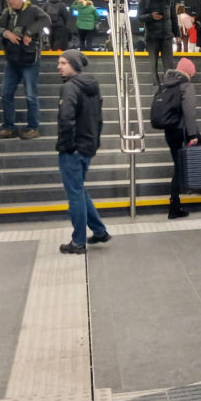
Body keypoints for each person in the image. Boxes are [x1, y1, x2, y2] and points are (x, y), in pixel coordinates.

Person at [55, 49, 110, 254]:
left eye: (63, 63)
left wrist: (68, 146)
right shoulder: (92, 87)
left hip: (74, 148)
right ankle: (99, 230)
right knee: (79, 189)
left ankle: (78, 242)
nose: (58, 66)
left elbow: (66, 119)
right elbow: (99, 119)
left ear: (74, 65)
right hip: (87, 147)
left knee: (75, 194)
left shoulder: (70, 88)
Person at [0, 0, 51, 139]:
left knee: (31, 95)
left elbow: (46, 20)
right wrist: (6, 33)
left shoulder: (33, 9)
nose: (10, 1)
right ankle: (9, 126)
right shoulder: (7, 13)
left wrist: (30, 32)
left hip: (29, 60)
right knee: (6, 93)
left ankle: (33, 127)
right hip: (12, 60)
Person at [160, 57, 201, 219]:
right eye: (192, 73)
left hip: (169, 130)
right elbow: (190, 112)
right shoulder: (186, 86)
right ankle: (174, 206)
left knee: (179, 165)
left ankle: (176, 203)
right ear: (187, 72)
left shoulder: (167, 84)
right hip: (180, 130)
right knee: (179, 168)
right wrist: (192, 135)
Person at [138, 0, 177, 84]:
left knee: (169, 66)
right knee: (152, 66)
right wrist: (151, 16)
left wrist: (177, 34)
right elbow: (139, 17)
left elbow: (174, 17)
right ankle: (156, 88)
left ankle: (169, 88)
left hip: (167, 37)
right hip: (152, 37)